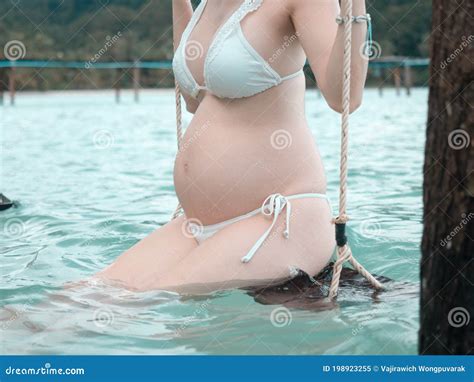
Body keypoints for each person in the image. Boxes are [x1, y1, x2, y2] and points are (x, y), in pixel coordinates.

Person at [96, 0, 369, 294]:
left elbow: (345, 98)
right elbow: (193, 100)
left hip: (279, 219)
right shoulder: (210, 5)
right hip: (200, 224)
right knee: (84, 296)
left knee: (153, 299)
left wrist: (355, 6)